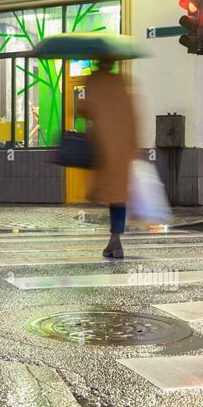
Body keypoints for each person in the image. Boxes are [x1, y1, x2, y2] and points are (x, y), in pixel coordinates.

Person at [78, 59, 138, 258]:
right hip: (122, 146)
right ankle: (115, 239)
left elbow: (86, 110)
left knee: (107, 192)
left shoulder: (94, 79)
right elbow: (132, 113)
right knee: (117, 195)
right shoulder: (121, 80)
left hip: (104, 146)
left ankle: (115, 240)